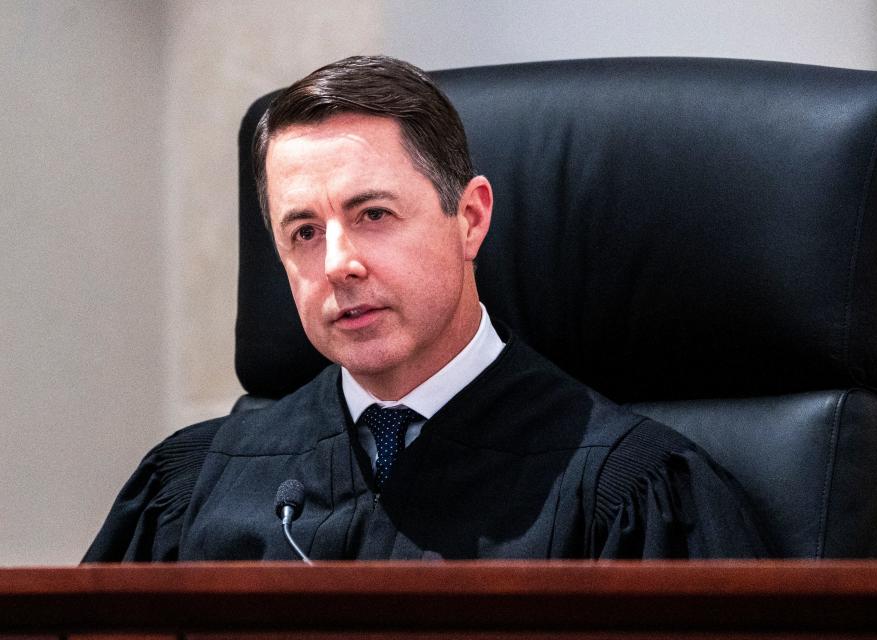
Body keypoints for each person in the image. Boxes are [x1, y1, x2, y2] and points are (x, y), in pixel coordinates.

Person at [84, 56, 766, 561]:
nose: (338, 263)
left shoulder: (625, 494)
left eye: (372, 214)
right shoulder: (189, 488)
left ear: (469, 218)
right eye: (305, 232)